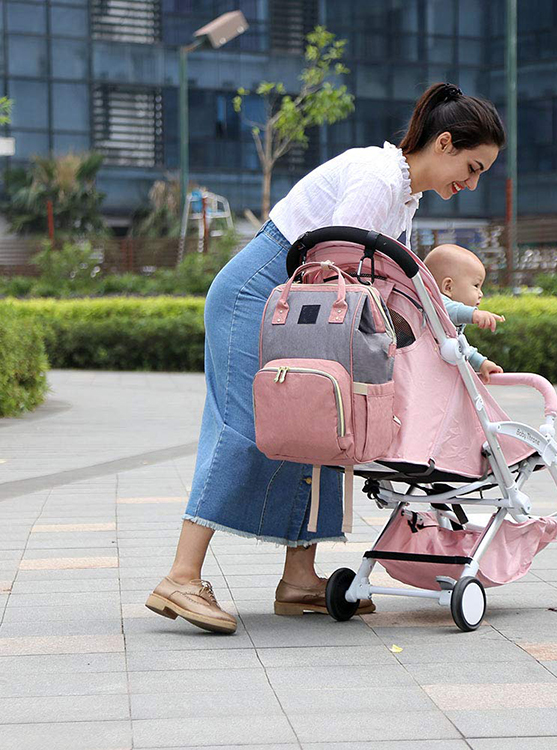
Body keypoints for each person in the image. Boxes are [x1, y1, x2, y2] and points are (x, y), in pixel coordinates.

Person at [145, 82, 505, 634]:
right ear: (446, 143)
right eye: (474, 166)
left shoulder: (403, 194)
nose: (473, 182)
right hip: (262, 293)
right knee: (248, 424)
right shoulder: (378, 178)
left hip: (299, 298)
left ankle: (299, 580)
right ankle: (181, 577)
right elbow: (332, 262)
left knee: (321, 428)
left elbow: (368, 281)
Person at [424, 243, 506, 384]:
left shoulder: (450, 322)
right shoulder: (431, 304)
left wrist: (481, 363)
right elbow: (447, 308)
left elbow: (462, 348)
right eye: (476, 286)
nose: (480, 293)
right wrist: (474, 314)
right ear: (448, 287)